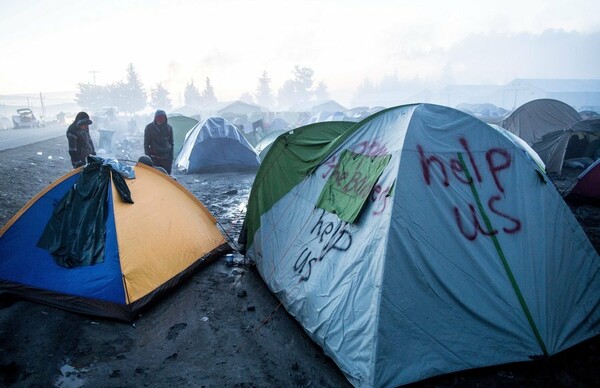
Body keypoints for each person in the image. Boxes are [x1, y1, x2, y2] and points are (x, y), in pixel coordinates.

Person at [144, 110, 174, 174]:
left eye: (162, 117)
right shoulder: (149, 128)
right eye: (159, 117)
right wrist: (148, 157)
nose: (160, 119)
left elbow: (171, 143)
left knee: (167, 177)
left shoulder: (169, 128)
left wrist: (171, 157)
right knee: (156, 177)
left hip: (166, 158)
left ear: (165, 118)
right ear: (155, 118)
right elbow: (146, 144)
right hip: (154, 158)